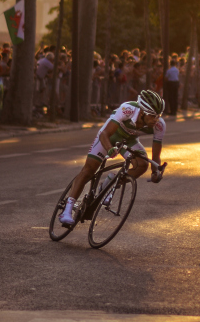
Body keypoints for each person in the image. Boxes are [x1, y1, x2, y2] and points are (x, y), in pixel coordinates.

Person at [58, 90, 167, 227]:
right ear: (142, 112)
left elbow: (155, 156)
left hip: (129, 140)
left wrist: (155, 172)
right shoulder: (128, 109)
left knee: (142, 164)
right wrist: (110, 149)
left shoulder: (159, 125)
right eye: (152, 116)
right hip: (110, 136)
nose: (155, 119)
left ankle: (111, 183)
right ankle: (67, 209)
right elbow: (105, 133)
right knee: (89, 170)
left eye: (158, 116)